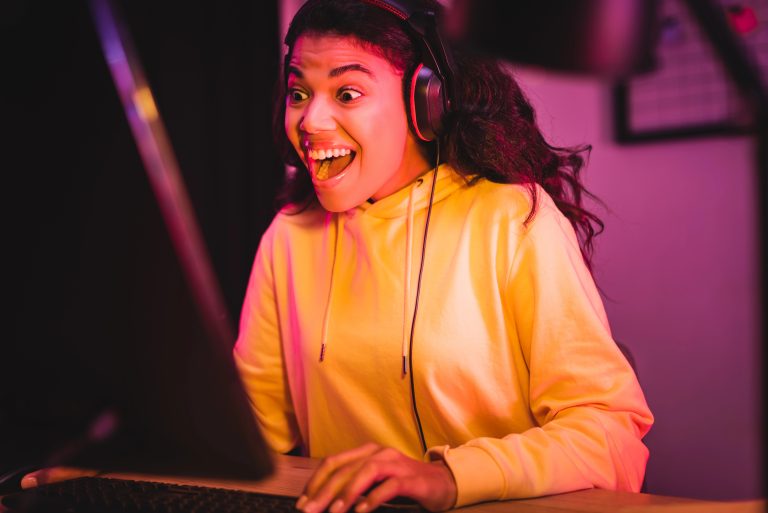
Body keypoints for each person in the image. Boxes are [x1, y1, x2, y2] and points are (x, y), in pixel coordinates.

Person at [232, 0, 653, 512]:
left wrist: (450, 477)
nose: (311, 120)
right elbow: (249, 436)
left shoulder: (511, 219)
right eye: (299, 92)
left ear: (424, 101)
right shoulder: (288, 238)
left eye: (347, 92)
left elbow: (610, 435)